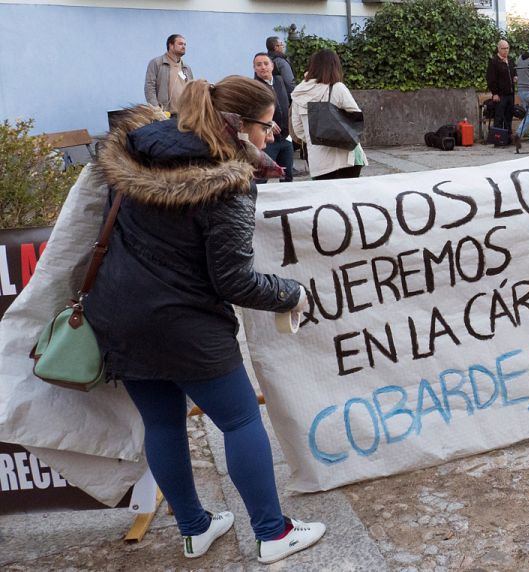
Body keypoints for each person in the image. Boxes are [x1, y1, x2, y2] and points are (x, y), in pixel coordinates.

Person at [86, 76, 325, 564]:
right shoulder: (227, 182)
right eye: (265, 123)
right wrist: (291, 294)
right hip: (185, 323)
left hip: (117, 314)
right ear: (237, 125)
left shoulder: (138, 150)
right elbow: (234, 281)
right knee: (239, 420)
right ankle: (272, 532)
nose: (273, 130)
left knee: (162, 423)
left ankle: (194, 528)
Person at [291, 49, 367, 180]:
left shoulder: (299, 92)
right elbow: (356, 118)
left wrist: (317, 137)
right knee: (348, 197)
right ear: (335, 66)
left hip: (318, 160)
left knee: (325, 198)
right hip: (346, 157)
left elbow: (298, 129)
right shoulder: (337, 88)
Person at [253, 53, 293, 182]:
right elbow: (250, 112)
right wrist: (267, 122)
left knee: (287, 176)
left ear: (272, 65)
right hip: (266, 140)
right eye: (258, 65)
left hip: (286, 138)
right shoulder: (254, 87)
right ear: (254, 68)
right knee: (261, 178)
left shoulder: (280, 80)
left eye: (266, 63)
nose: (263, 67)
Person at [144, 34, 194, 113]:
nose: (184, 46)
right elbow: (149, 87)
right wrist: (156, 109)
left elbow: (192, 90)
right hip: (164, 114)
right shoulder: (157, 63)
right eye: (180, 44)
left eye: (185, 44)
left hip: (184, 115)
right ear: (171, 45)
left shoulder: (186, 68)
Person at [486, 39, 516, 139]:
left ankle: (507, 138)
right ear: (498, 49)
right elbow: (491, 79)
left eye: (507, 48)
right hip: (500, 95)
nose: (506, 50)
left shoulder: (510, 61)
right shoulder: (494, 62)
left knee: (509, 116)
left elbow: (514, 72)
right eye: (503, 48)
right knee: (499, 117)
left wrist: (515, 77)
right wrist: (495, 93)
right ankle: (498, 139)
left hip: (510, 94)